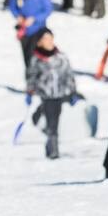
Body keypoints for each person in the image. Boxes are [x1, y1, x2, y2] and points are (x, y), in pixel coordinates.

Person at [25, 29, 76, 159]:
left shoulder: (61, 57)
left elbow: (69, 75)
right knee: (49, 123)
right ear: (39, 42)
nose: (48, 41)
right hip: (45, 96)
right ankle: (53, 151)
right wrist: (30, 92)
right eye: (45, 39)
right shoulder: (36, 59)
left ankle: (53, 149)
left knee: (55, 123)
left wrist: (72, 92)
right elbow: (31, 77)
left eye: (50, 38)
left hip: (61, 95)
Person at [10, 0, 53, 74]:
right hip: (24, 31)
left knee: (37, 55)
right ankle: (30, 80)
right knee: (27, 56)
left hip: (38, 30)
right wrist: (18, 16)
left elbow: (48, 10)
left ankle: (40, 77)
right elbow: (12, 5)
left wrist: (34, 18)